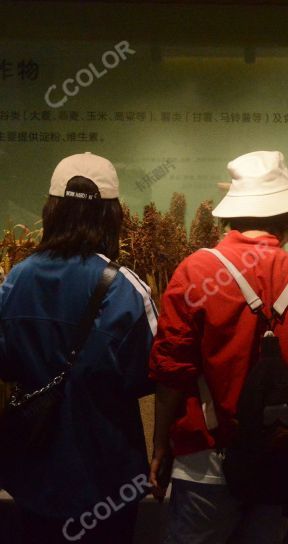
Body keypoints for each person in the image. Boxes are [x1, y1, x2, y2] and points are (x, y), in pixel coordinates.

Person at [149, 150, 288, 544]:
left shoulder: (196, 270)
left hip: (206, 462)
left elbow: (171, 371)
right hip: (279, 461)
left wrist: (160, 446)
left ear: (230, 217)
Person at [0, 152, 157, 543]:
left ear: (51, 211)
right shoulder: (125, 288)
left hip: (34, 475)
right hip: (109, 481)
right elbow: (149, 374)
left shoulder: (15, 281)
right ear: (113, 215)